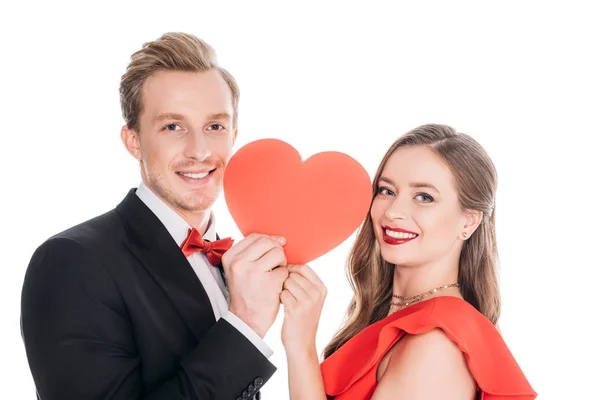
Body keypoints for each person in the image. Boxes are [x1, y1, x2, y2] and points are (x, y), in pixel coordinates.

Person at [20, 32, 289, 400]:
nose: (199, 151)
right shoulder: (71, 261)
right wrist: (246, 324)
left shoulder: (234, 262)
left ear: (234, 136)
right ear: (134, 141)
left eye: (215, 126)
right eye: (173, 127)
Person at [279, 124, 537, 399]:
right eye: (387, 190)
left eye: (424, 197)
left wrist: (302, 346)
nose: (394, 211)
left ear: (469, 220)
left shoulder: (434, 344)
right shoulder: (397, 317)